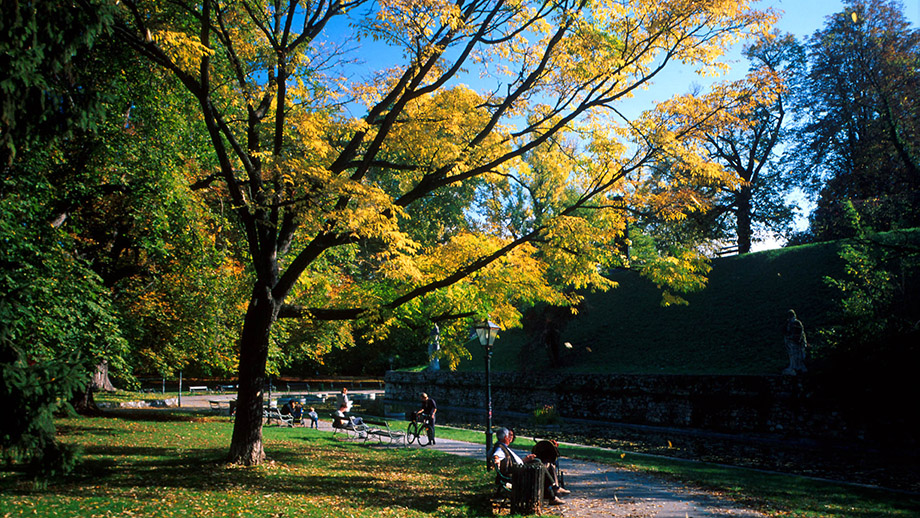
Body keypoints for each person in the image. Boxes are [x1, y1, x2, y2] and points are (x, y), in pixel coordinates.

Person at [491, 428, 566, 505]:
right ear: (505, 437)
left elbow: (514, 462)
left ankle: (553, 492)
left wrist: (526, 459)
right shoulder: (500, 447)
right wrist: (496, 460)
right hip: (517, 475)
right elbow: (496, 454)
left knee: (540, 463)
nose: (510, 438)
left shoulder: (503, 446)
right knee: (539, 465)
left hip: (519, 469)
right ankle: (554, 490)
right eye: (509, 436)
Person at [783, 309, 808, 375]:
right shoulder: (788, 323)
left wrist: (794, 338)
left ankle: (798, 368)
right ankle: (793, 367)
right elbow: (785, 332)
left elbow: (799, 334)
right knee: (792, 355)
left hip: (797, 343)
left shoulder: (796, 322)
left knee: (798, 355)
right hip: (790, 342)